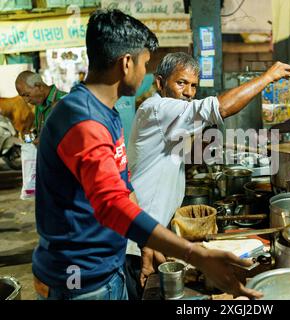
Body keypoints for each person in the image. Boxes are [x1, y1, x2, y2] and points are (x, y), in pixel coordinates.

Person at [33, 9, 261, 300]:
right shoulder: (83, 121)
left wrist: (147, 245)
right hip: (79, 278)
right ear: (127, 63)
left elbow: (124, 186)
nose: (145, 73)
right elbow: (112, 205)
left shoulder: (106, 114)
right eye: (145, 63)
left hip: (108, 264)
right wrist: (196, 255)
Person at [126, 52, 290, 293]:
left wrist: (209, 134)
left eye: (194, 86)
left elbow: (191, 154)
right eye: (181, 83)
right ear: (160, 82)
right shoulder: (158, 108)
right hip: (136, 240)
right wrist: (269, 76)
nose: (188, 92)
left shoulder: (169, 116)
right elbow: (222, 108)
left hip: (151, 234)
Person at [15, 71, 66, 144]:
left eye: (27, 95)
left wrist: (44, 139)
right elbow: (41, 131)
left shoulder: (64, 100)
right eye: (22, 96)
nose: (26, 101)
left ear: (39, 86)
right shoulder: (39, 104)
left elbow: (67, 133)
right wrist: (31, 135)